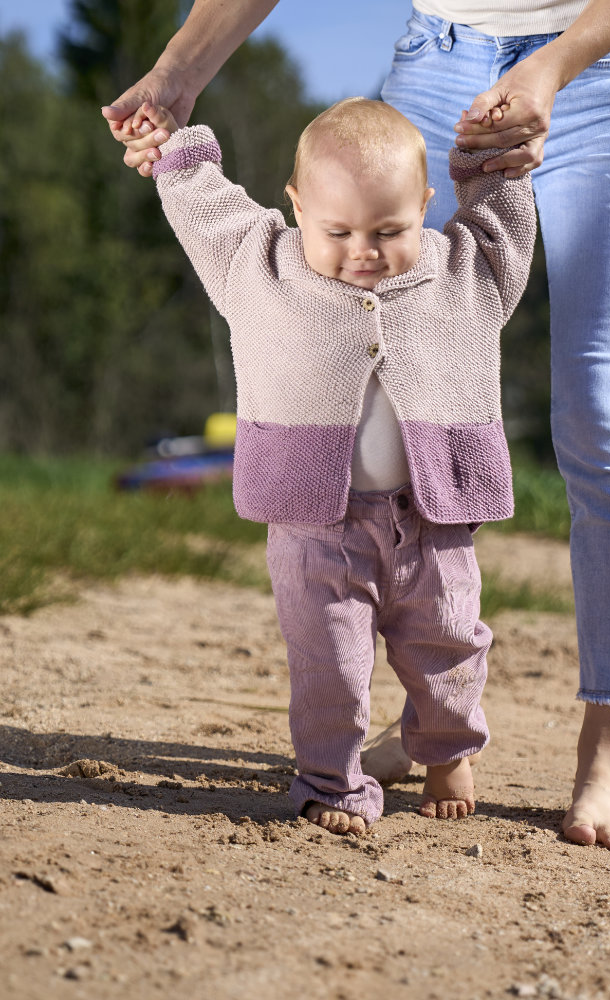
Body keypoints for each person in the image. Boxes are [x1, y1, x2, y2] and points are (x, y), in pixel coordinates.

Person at [102, 0, 610, 852]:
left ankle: (606, 747)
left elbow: (490, 256)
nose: (361, 246)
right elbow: (226, 230)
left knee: (603, 410)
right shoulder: (273, 257)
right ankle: (371, 751)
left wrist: (551, 68)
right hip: (438, 60)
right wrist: (177, 81)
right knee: (341, 286)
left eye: (385, 231)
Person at [130, 95, 535, 834]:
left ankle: (445, 748)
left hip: (433, 523)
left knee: (448, 647)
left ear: (425, 205)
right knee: (330, 668)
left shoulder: (464, 275)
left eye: (389, 229)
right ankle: (333, 782)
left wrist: (492, 162)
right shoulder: (261, 269)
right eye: (338, 230)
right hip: (315, 530)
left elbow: (503, 231)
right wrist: (175, 151)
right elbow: (207, 210)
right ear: (296, 208)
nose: (363, 251)